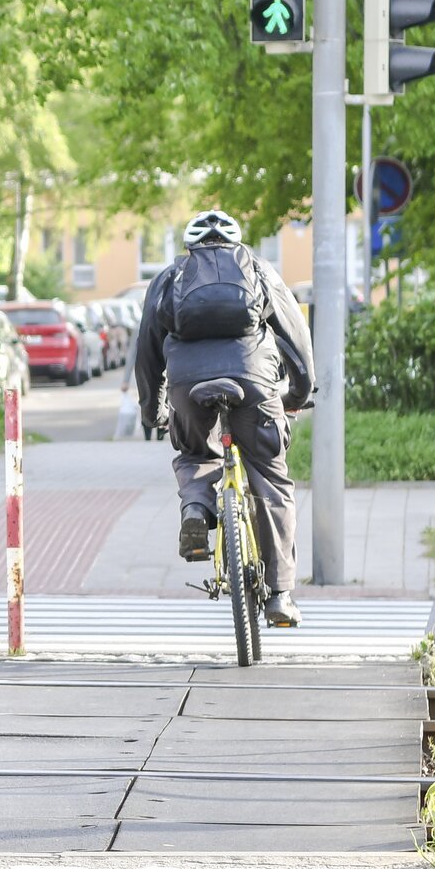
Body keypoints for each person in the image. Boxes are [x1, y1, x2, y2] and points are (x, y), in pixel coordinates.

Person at [133, 209, 315, 626]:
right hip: (254, 380)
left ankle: (197, 510)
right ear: (235, 243)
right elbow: (296, 336)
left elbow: (146, 351)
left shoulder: (168, 279)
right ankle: (281, 595)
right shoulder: (259, 270)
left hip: (187, 385)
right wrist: (298, 393)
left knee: (196, 452)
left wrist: (154, 411)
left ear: (190, 245)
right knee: (270, 477)